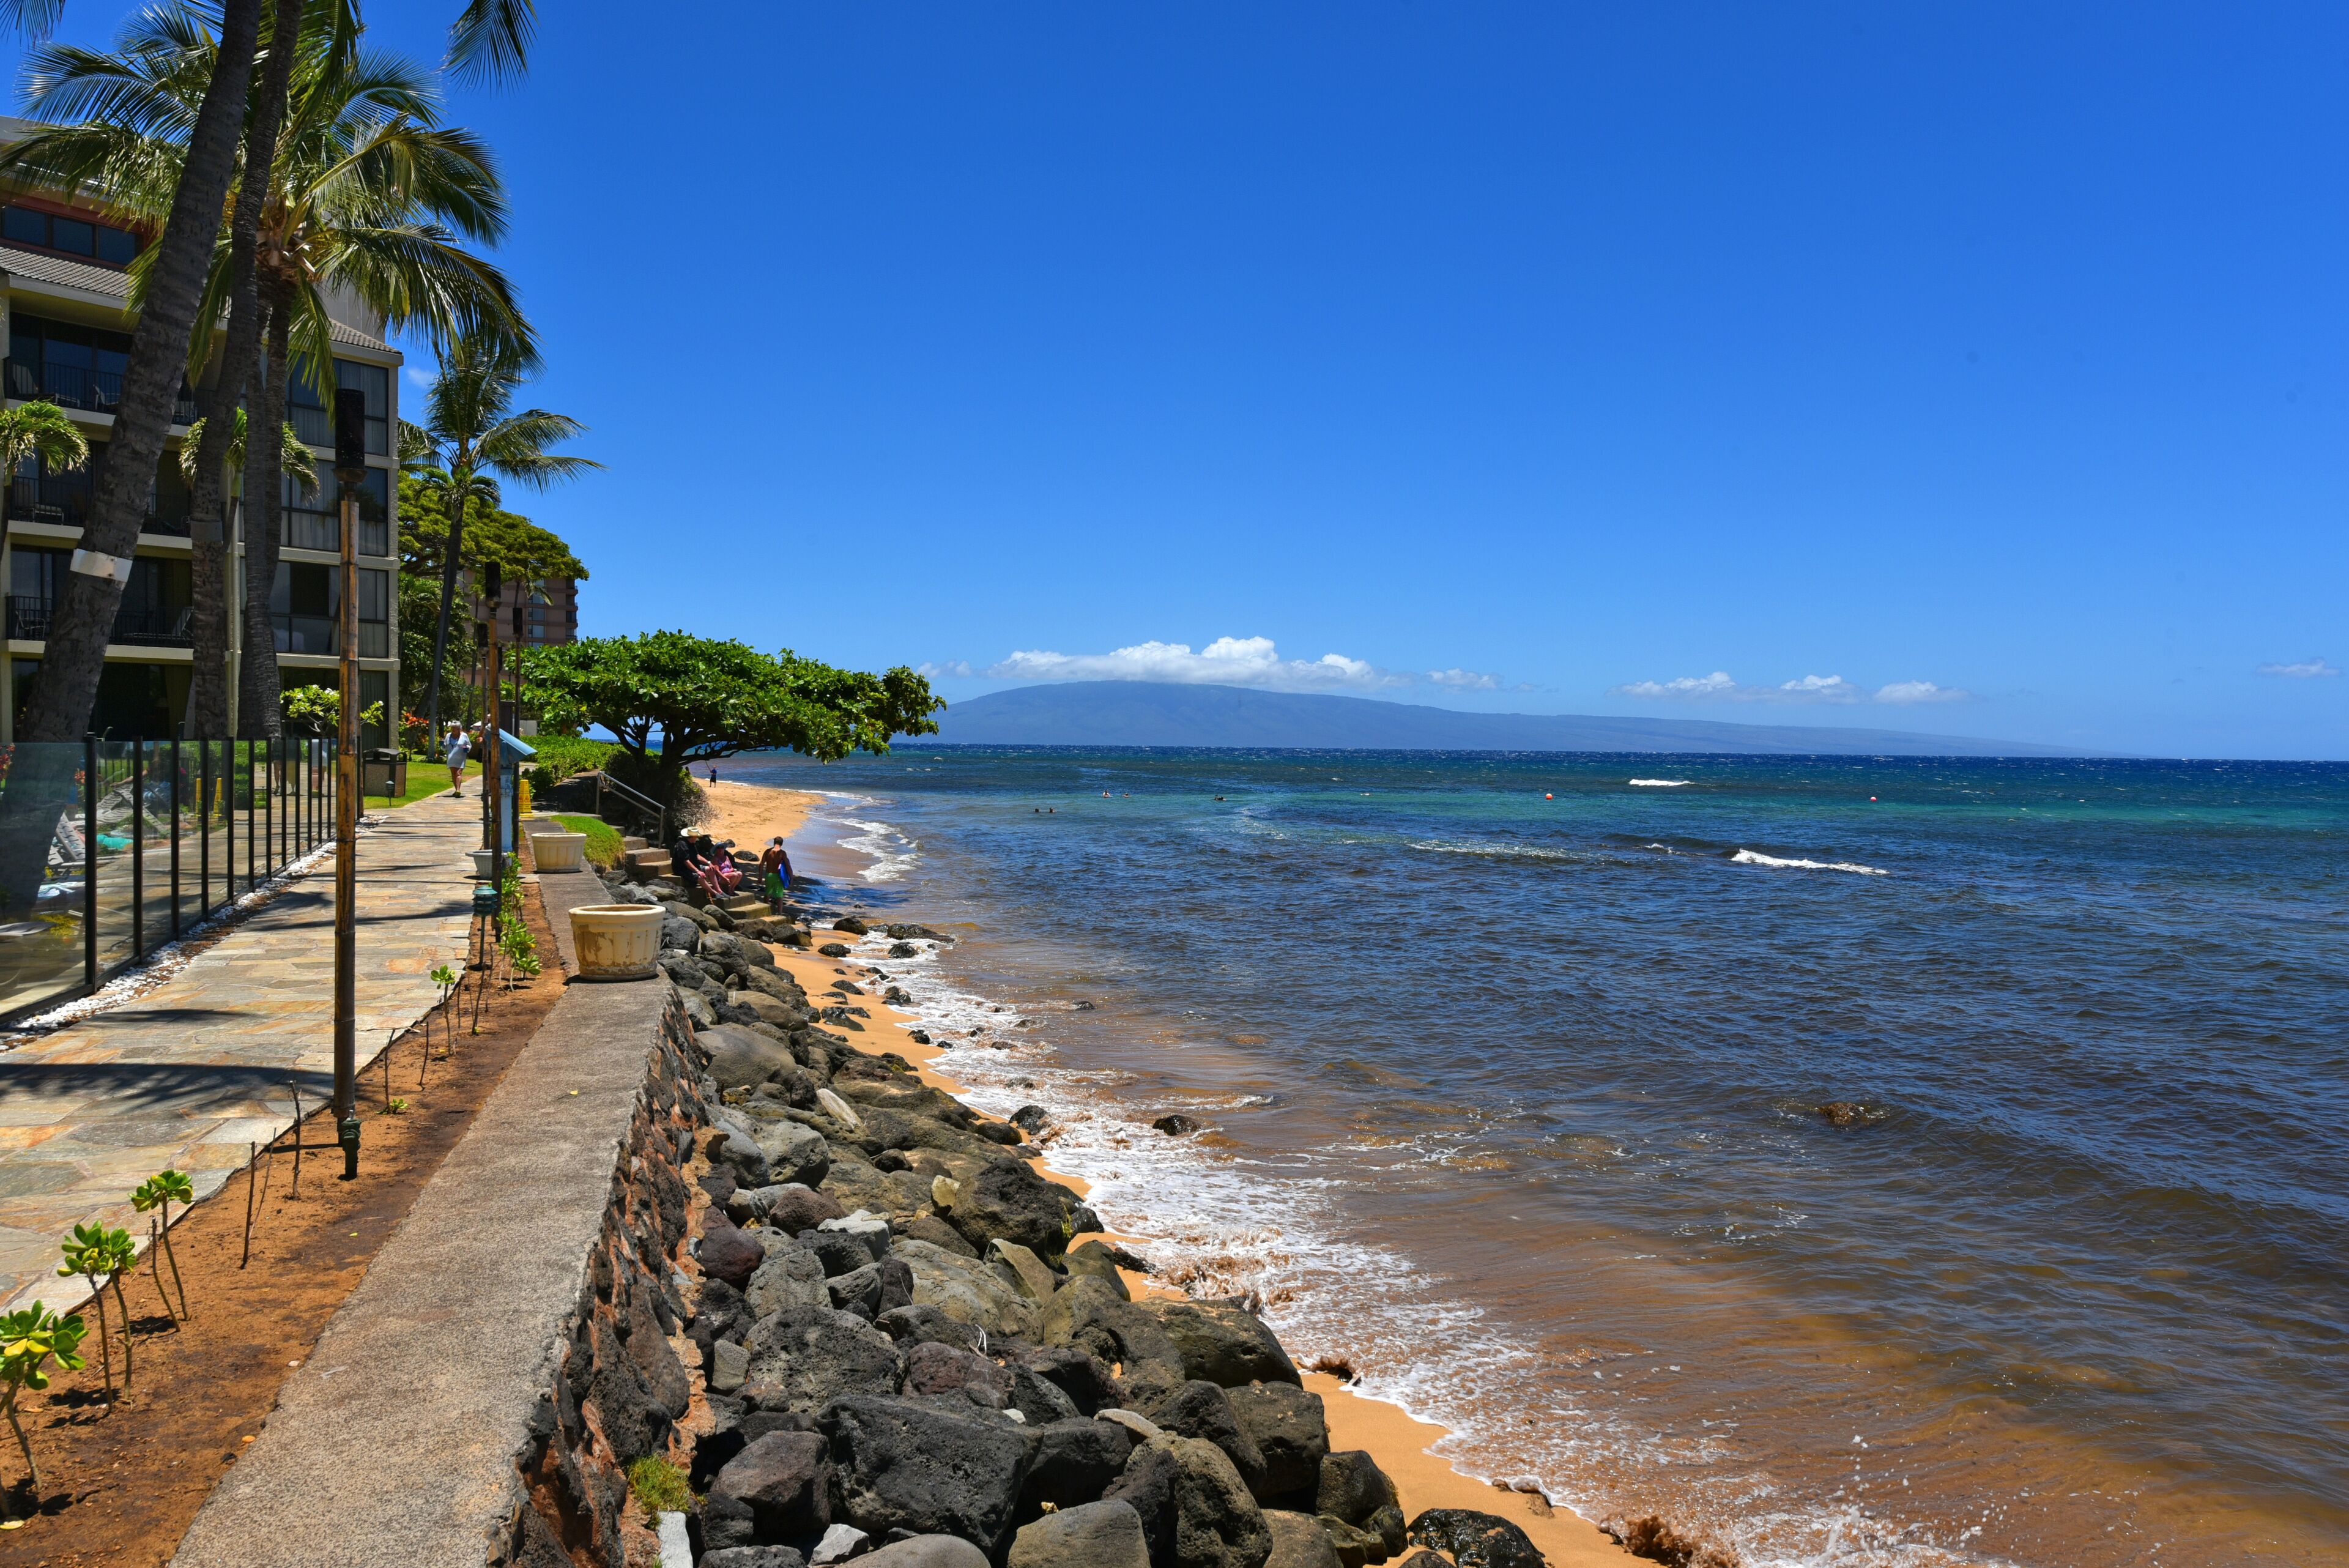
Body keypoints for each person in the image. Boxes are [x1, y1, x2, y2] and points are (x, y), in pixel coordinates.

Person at [760, 837, 792, 910]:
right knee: (779, 895)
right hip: (778, 876)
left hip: (769, 875)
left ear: (774, 842)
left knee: (767, 893)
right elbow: (788, 866)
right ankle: (780, 913)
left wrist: (760, 876)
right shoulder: (782, 853)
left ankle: (765, 909)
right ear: (782, 844)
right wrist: (791, 877)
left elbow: (761, 864)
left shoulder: (767, 851)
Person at [443, 724, 471, 797]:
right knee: (453, 774)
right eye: (452, 728)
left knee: (458, 773)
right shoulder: (448, 735)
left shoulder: (464, 735)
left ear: (459, 729)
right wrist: (443, 745)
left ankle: (458, 790)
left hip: (461, 757)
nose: (453, 729)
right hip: (451, 757)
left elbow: (469, 745)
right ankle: (456, 790)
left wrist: (467, 748)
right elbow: (445, 746)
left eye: (454, 728)